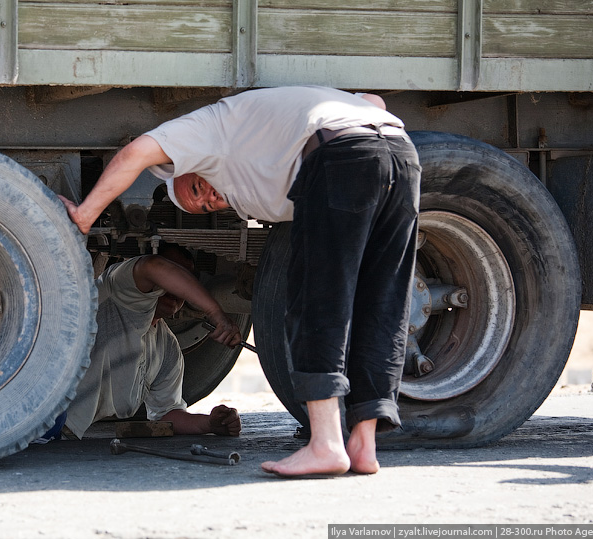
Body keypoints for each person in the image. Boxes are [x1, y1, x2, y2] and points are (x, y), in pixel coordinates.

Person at [59, 86, 421, 477]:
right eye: (209, 206)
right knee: (381, 302)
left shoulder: (207, 127)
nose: (211, 198)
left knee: (315, 302)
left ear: (182, 165)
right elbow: (374, 103)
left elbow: (136, 153)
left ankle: (326, 444)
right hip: (399, 154)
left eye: (197, 188)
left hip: (341, 157)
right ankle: (363, 444)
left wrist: (84, 216)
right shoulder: (255, 175)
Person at [61, 244, 244, 440]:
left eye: (187, 279)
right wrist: (214, 312)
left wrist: (210, 423)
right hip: (38, 411)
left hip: (57, 432)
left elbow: (166, 414)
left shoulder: (167, 347)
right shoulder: (116, 287)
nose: (178, 287)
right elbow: (151, 266)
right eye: (174, 274)